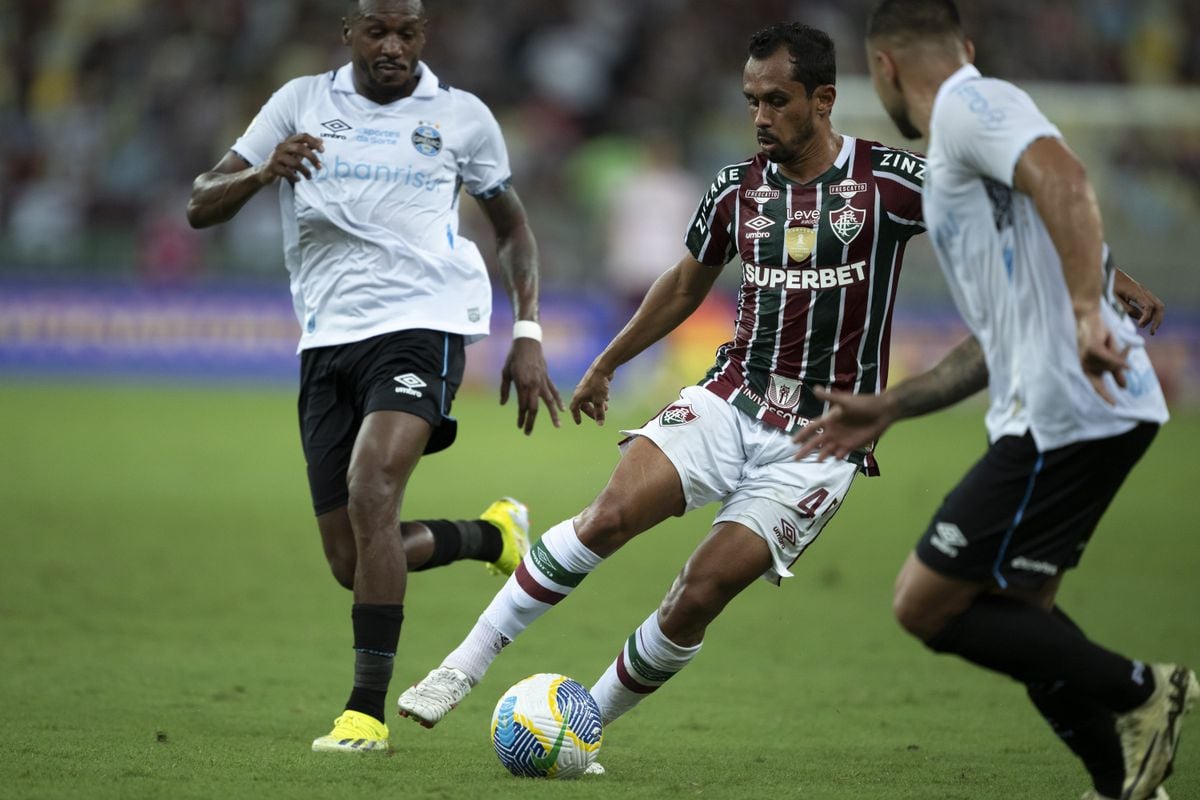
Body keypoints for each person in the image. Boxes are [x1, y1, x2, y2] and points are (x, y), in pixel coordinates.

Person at [394, 20, 940, 758]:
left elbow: (1008, 217)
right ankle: (461, 666)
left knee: (699, 594)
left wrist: (1094, 273)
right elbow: (687, 283)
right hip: (733, 394)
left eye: (777, 101)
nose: (760, 117)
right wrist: (607, 362)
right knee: (610, 514)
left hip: (823, 443)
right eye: (751, 100)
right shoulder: (737, 189)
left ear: (824, 99)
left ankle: (579, 729)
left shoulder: (889, 185)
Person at [793, 2, 1196, 798]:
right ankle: (1121, 785)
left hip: (1066, 414)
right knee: (1021, 612)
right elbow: (994, 333)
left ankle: (1144, 691)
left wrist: (1089, 306)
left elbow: (1065, 176)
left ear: (885, 70)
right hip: (1071, 407)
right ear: (965, 46)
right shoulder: (969, 142)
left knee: (925, 603)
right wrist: (894, 404)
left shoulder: (973, 105)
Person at [185, 0, 563, 754]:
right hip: (327, 339)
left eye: (408, 32)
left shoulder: (461, 116)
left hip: (425, 326)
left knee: (372, 489)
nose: (393, 46)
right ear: (348, 34)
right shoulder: (299, 102)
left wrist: (526, 330)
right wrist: (264, 172)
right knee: (354, 561)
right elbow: (199, 203)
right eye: (378, 31)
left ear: (425, 35)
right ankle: (490, 537)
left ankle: (364, 713)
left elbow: (513, 226)